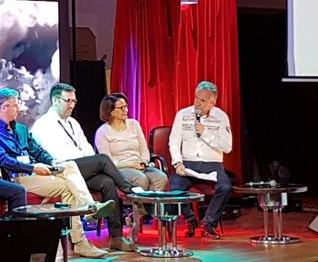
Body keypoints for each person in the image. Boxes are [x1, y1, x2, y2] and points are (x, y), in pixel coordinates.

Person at [0, 88, 113, 258]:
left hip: (35, 172)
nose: (18, 108)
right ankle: (86, 223)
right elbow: (2, 160)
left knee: (68, 167)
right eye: (15, 105)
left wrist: (52, 162)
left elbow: (37, 150)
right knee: (68, 186)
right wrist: (32, 168)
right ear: (4, 106)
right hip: (18, 177)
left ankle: (86, 220)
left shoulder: (21, 129)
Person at [30, 83, 138, 251]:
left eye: (74, 101)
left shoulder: (73, 122)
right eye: (68, 101)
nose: (72, 105)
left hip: (81, 168)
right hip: (63, 170)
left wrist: (90, 162)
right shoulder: (43, 125)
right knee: (102, 159)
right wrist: (90, 162)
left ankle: (116, 237)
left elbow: (86, 147)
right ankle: (132, 192)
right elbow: (56, 156)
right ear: (55, 101)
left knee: (107, 182)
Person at [169, 81, 233, 239]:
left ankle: (209, 223)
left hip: (212, 165)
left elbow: (227, 147)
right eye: (196, 98)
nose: (197, 103)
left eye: (203, 101)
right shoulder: (183, 115)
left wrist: (205, 133)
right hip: (187, 163)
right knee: (174, 187)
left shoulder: (221, 117)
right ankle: (190, 219)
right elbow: (174, 141)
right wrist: (177, 162)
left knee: (225, 187)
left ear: (213, 102)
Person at [95, 93, 168, 192]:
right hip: (120, 168)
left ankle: (152, 202)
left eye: (126, 106)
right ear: (111, 112)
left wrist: (144, 162)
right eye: (121, 108)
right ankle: (139, 202)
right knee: (141, 179)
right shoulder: (102, 132)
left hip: (139, 165)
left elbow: (144, 149)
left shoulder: (134, 124)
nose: (126, 110)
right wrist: (130, 164)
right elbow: (107, 162)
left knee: (161, 177)